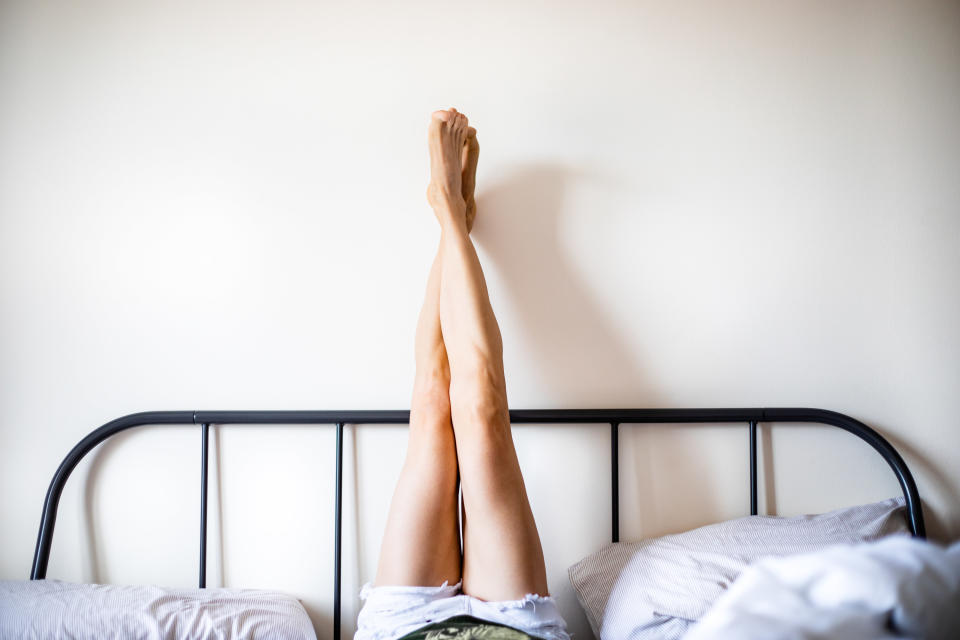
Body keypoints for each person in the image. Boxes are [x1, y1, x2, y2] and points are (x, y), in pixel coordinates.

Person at [354, 109, 571, 640]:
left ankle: (450, 210)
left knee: (432, 402)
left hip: (402, 627)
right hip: (515, 627)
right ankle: (452, 212)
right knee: (480, 407)